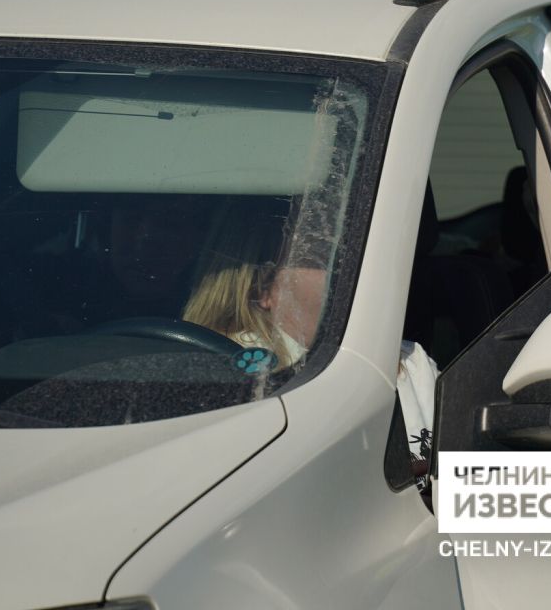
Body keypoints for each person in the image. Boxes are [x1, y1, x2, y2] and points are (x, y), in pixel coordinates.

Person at [182, 196, 438, 474]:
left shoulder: (411, 363)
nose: (352, 267)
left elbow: (463, 490)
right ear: (263, 288)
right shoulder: (218, 375)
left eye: (357, 252)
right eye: (323, 255)